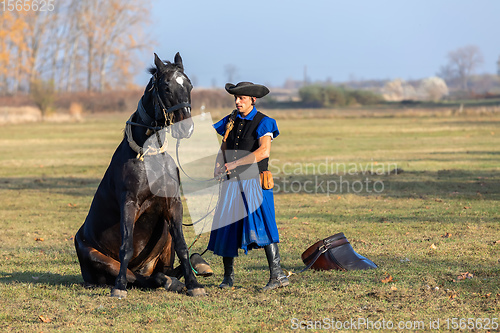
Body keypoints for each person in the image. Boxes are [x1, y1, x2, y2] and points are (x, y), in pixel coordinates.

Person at [207, 81, 289, 291]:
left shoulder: (265, 122)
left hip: (255, 182)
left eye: (242, 98)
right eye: (235, 98)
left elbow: (264, 152)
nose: (237, 102)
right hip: (231, 183)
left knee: (263, 225)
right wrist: (219, 165)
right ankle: (227, 278)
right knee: (227, 226)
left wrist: (235, 163)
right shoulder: (230, 120)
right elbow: (224, 146)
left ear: (253, 100)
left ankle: (278, 275)